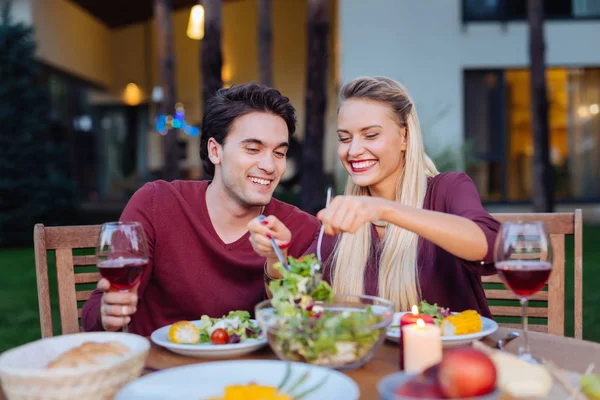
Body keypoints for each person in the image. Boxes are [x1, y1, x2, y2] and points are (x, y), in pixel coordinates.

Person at [82, 83, 321, 336]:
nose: (269, 166)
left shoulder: (301, 229)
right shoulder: (157, 204)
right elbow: (97, 311)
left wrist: (277, 263)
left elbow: (302, 328)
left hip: (251, 374)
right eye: (253, 149)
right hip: (158, 371)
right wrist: (108, 313)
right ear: (215, 151)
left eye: (280, 153)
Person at [248, 77, 499, 317]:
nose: (354, 150)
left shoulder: (448, 189)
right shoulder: (345, 217)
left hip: (456, 358)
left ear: (404, 137)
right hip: (376, 360)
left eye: (370, 135)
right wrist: (275, 257)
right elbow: (296, 301)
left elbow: (490, 247)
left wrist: (384, 209)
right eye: (345, 138)